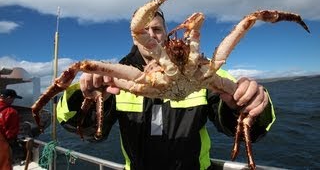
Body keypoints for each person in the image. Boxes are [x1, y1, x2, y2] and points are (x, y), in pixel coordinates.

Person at [57, 10, 275, 170]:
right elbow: (87, 131)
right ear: (136, 36)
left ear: (166, 34)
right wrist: (82, 95)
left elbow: (254, 129)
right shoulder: (114, 76)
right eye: (145, 30)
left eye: (157, 29)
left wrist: (252, 101)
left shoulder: (203, 71)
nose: (151, 35)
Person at [0, 89, 22, 170]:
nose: (13, 101)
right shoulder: (11, 112)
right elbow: (11, 134)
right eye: (13, 99)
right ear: (9, 98)